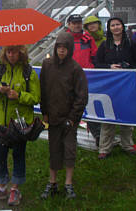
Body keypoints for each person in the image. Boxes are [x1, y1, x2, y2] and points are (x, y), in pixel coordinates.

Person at [0, 45, 40, 206]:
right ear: (4, 53)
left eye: (14, 51)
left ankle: (15, 189)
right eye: (8, 52)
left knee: (18, 155)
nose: (11, 55)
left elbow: (36, 97)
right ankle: (1, 188)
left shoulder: (28, 72)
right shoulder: (0, 69)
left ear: (21, 52)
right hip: (0, 122)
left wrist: (19, 95)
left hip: (19, 125)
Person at [39, 32, 88, 200]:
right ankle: (52, 183)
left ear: (70, 49)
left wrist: (73, 119)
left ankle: (68, 184)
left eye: (65, 48)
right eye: (59, 47)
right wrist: (44, 111)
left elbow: (82, 97)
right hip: (52, 117)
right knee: (54, 150)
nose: (61, 51)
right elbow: (43, 90)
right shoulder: (47, 65)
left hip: (69, 119)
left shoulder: (76, 69)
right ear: (55, 48)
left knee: (69, 151)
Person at [95, 17, 136, 159]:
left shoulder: (131, 44)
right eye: (112, 25)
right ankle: (105, 148)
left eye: (118, 25)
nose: (115, 27)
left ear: (122, 27)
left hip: (127, 85)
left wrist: (129, 67)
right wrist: (109, 66)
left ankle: (127, 144)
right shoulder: (104, 45)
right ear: (109, 28)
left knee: (127, 114)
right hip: (110, 86)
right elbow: (97, 63)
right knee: (108, 115)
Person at [83, 15, 106, 146]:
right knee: (90, 104)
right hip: (89, 76)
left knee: (103, 104)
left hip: (103, 75)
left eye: (94, 23)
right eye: (89, 24)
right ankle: (96, 133)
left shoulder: (105, 39)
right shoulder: (84, 40)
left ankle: (105, 132)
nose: (92, 26)